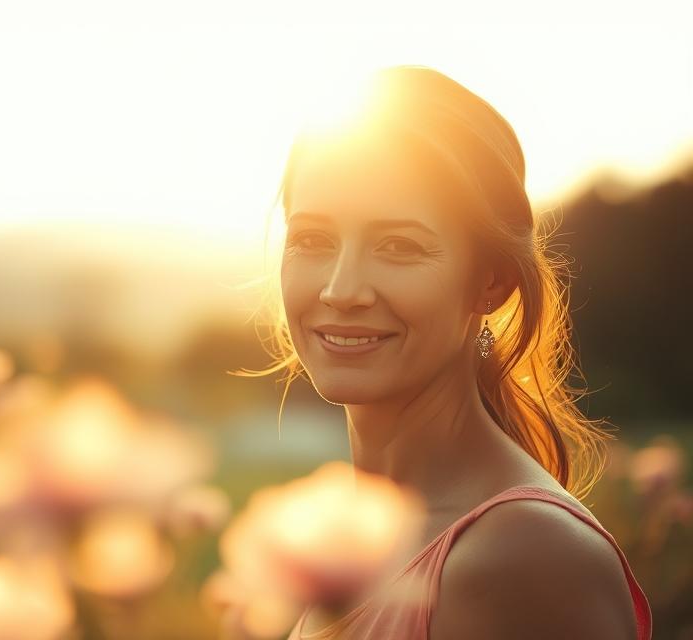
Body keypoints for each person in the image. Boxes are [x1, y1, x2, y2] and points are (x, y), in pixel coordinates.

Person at [240, 65, 653, 639]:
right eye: (313, 239)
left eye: (399, 246)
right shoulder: (357, 547)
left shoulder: (525, 559)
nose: (341, 289)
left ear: (491, 281)